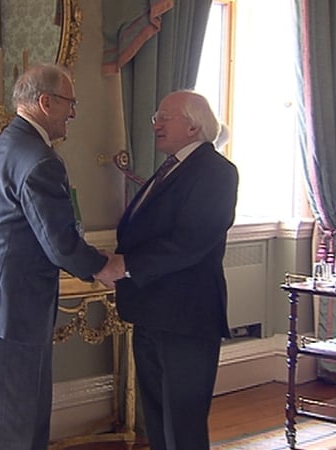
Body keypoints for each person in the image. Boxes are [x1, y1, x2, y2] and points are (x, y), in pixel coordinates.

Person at [0, 63, 117, 449]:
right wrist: (101, 266)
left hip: (2, 299)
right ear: (46, 102)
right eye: (70, 103)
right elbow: (59, 243)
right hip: (15, 304)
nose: (73, 113)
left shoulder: (10, 143)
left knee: (21, 413)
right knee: (10, 421)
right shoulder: (39, 158)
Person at [98, 90, 239, 450]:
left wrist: (125, 265)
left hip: (185, 318)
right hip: (151, 312)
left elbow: (191, 241)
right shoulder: (171, 169)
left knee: (183, 425)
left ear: (194, 126)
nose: (156, 125)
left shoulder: (216, 172)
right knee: (158, 420)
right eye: (155, 117)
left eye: (164, 117)